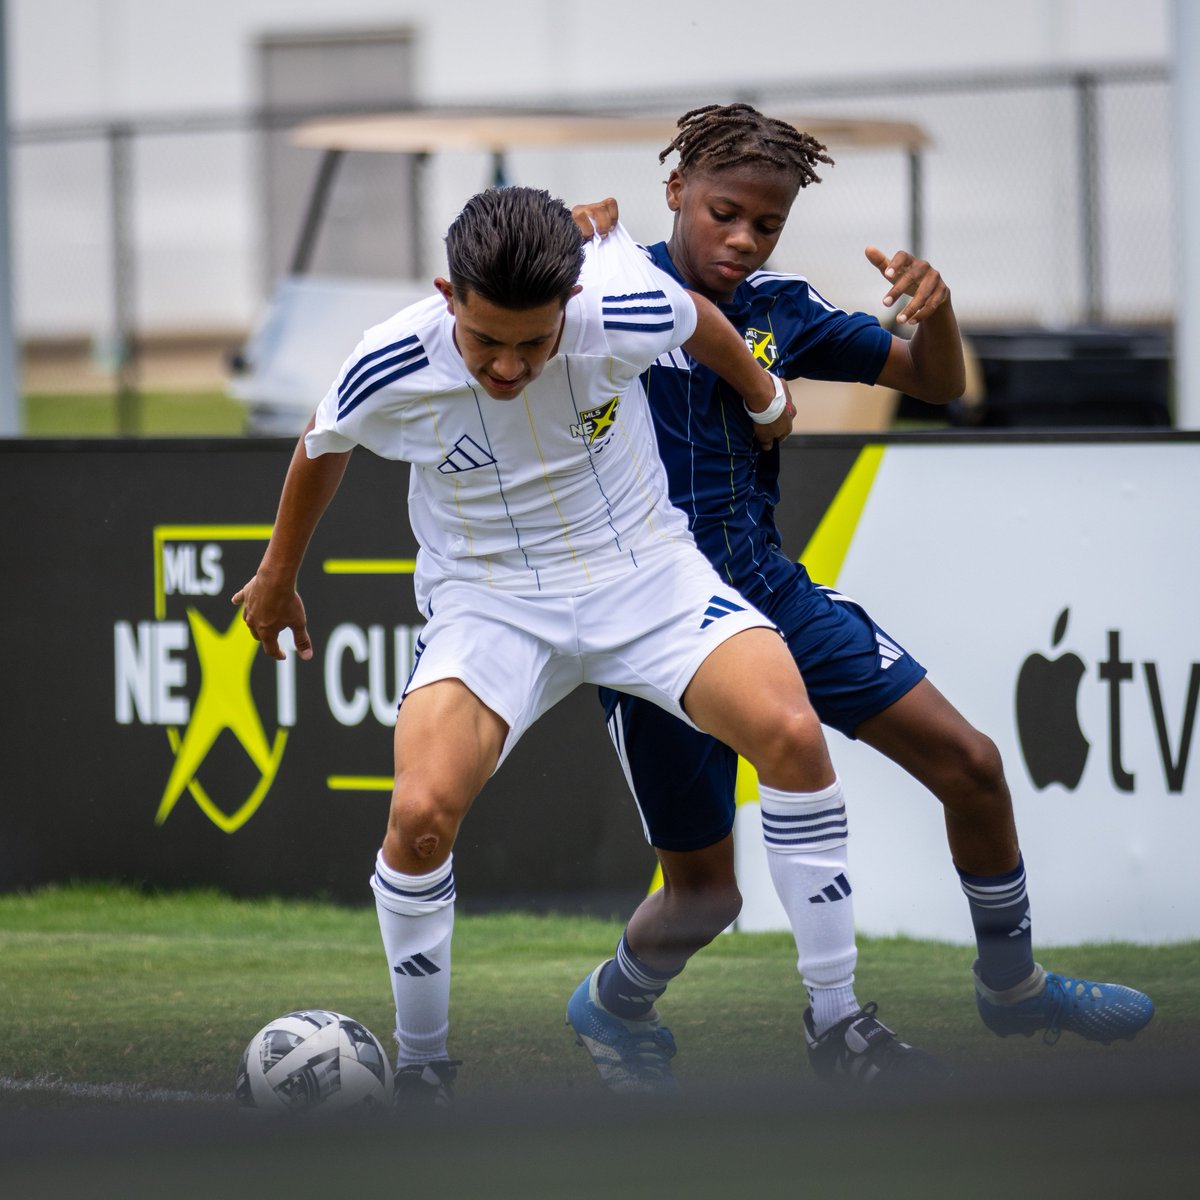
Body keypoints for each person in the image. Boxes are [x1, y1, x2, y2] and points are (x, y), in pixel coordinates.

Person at [564, 103, 1154, 1095]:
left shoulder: (778, 306)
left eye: (767, 223)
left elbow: (937, 381)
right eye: (724, 212)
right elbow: (492, 324)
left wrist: (938, 310)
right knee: (703, 898)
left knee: (970, 764)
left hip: (771, 597)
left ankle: (1007, 992)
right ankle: (611, 1005)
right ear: (674, 194)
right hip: (648, 627)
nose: (744, 238)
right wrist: (564, 243)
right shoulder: (599, 288)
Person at [233, 184, 857, 1107]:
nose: (512, 366)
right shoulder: (390, 359)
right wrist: (279, 576)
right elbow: (322, 447)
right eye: (487, 342)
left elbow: (698, 323)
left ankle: (841, 1026)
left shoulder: (620, 304)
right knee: (420, 815)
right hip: (489, 605)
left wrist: (764, 395)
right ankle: (423, 1072)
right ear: (450, 296)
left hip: (644, 573)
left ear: (568, 305)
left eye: (536, 342)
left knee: (794, 737)